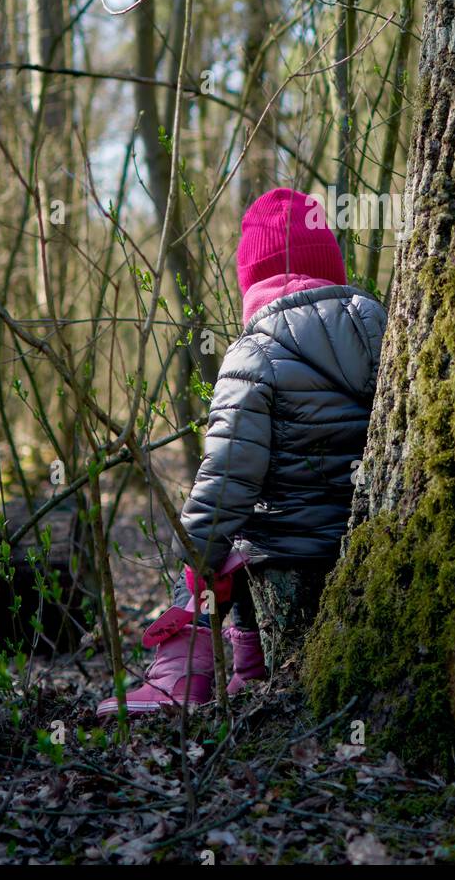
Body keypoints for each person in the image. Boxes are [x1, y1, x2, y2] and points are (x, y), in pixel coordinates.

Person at [97, 187, 387, 715]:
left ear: (253, 280)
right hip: (372, 544)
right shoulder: (386, 326)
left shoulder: (254, 353)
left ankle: (183, 675)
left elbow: (228, 479)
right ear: (333, 266)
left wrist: (195, 564)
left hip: (287, 557)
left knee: (216, 545)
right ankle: (249, 669)